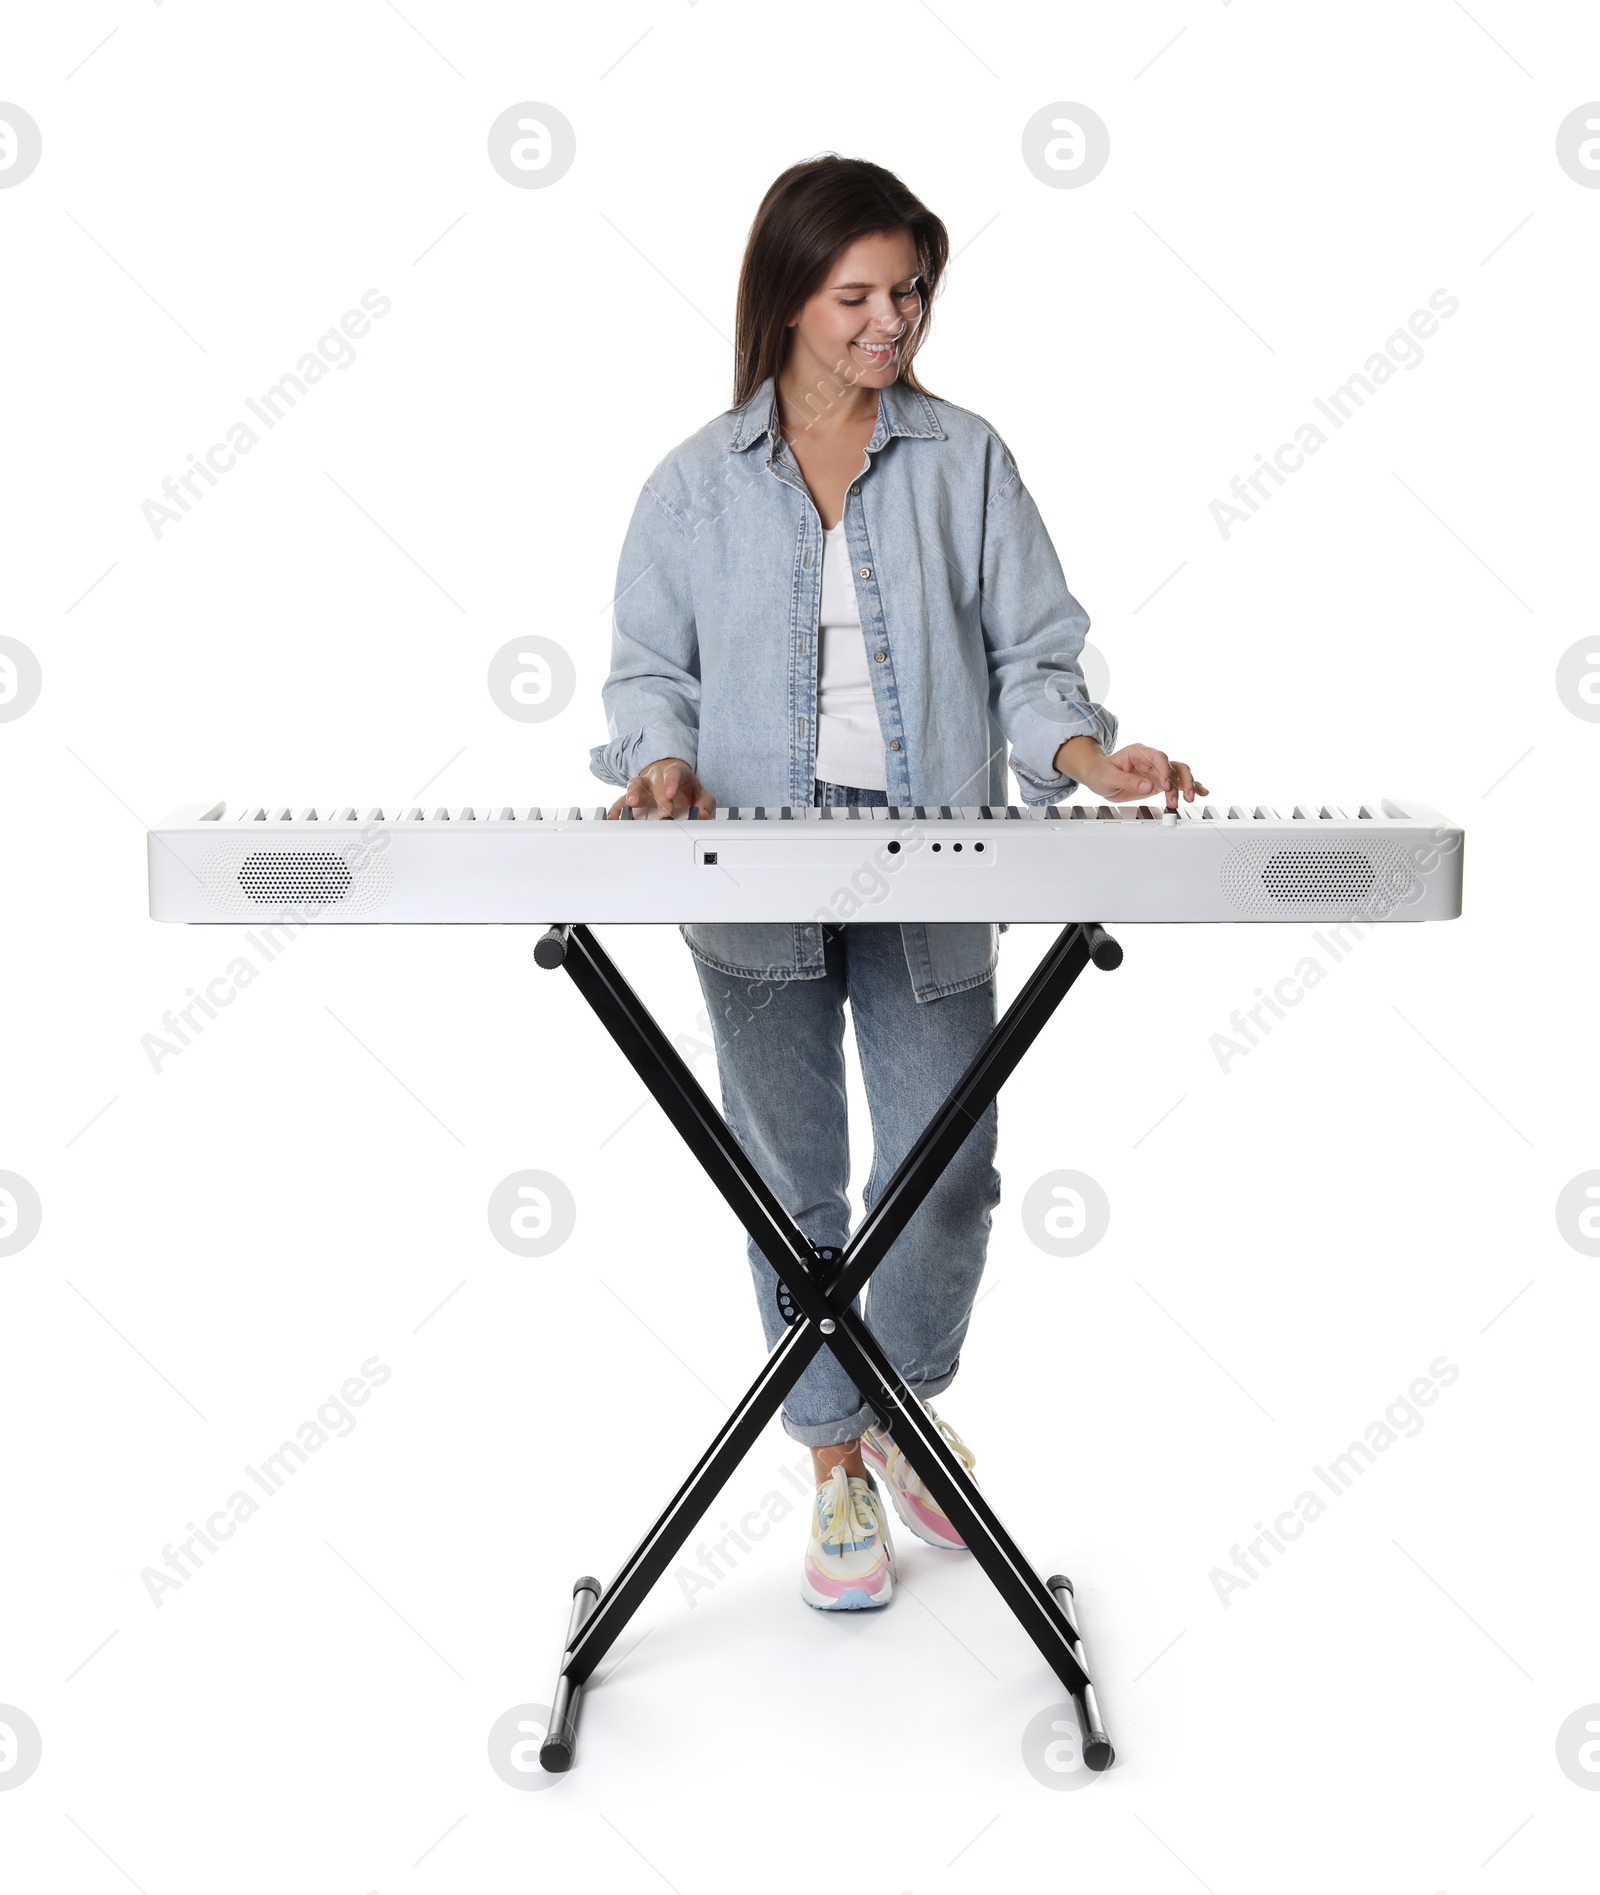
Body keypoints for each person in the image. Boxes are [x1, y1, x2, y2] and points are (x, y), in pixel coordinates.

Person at [592, 155, 1206, 1612]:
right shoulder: (693, 484)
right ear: (791, 298)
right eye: (858, 294)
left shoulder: (969, 458)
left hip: (938, 846)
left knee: (949, 1172)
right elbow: (645, 675)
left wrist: (1081, 753)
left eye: (910, 290)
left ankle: (901, 1400)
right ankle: (834, 1467)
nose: (891, 321)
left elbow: (1033, 650)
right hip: (754, 861)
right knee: (788, 1187)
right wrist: (663, 763)